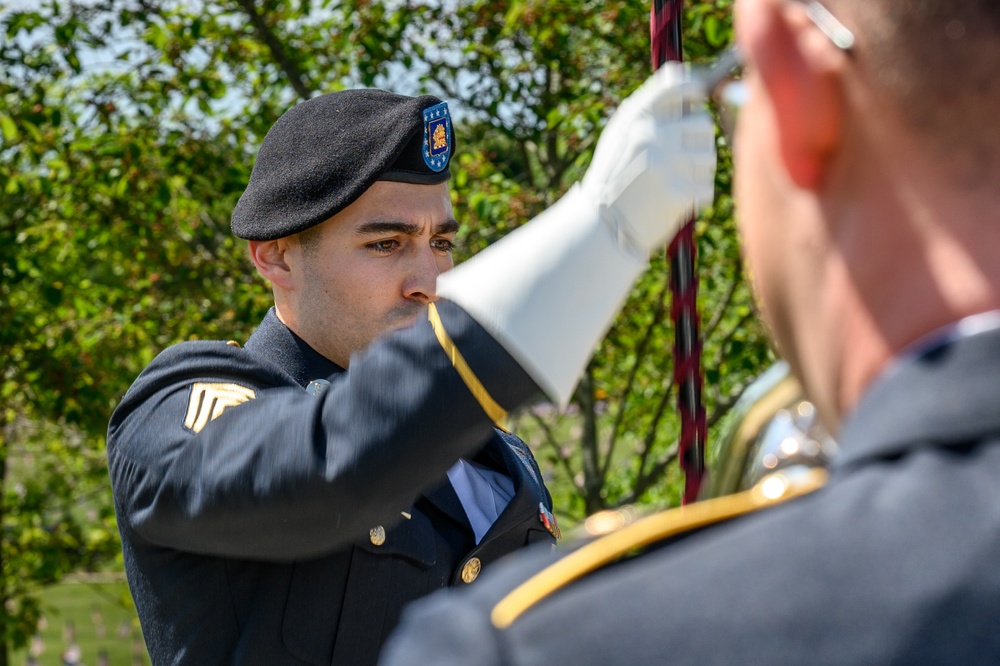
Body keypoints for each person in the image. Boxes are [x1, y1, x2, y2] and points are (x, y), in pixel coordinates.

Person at [378, 0, 1000, 663]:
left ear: (793, 76)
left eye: (740, 88)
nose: (428, 279)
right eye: (386, 243)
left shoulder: (551, 644)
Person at [106, 75, 717, 665]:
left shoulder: (497, 458)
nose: (429, 282)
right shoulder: (184, 409)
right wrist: (597, 236)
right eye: (386, 244)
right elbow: (329, 466)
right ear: (276, 258)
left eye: (441, 244)